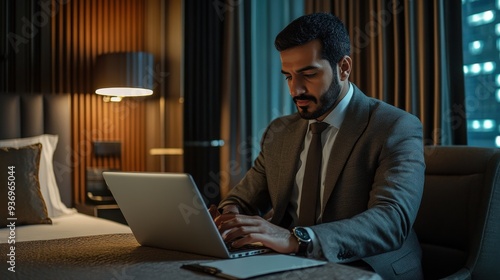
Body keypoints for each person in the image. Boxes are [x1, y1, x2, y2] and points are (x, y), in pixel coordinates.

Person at [213, 12, 425, 280]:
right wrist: (230, 216)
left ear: (344, 68)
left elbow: (391, 222)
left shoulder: (395, 127)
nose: (295, 90)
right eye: (288, 76)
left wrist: (297, 238)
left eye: (308, 74)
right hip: (286, 264)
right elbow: (243, 198)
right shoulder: (279, 131)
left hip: (368, 267)